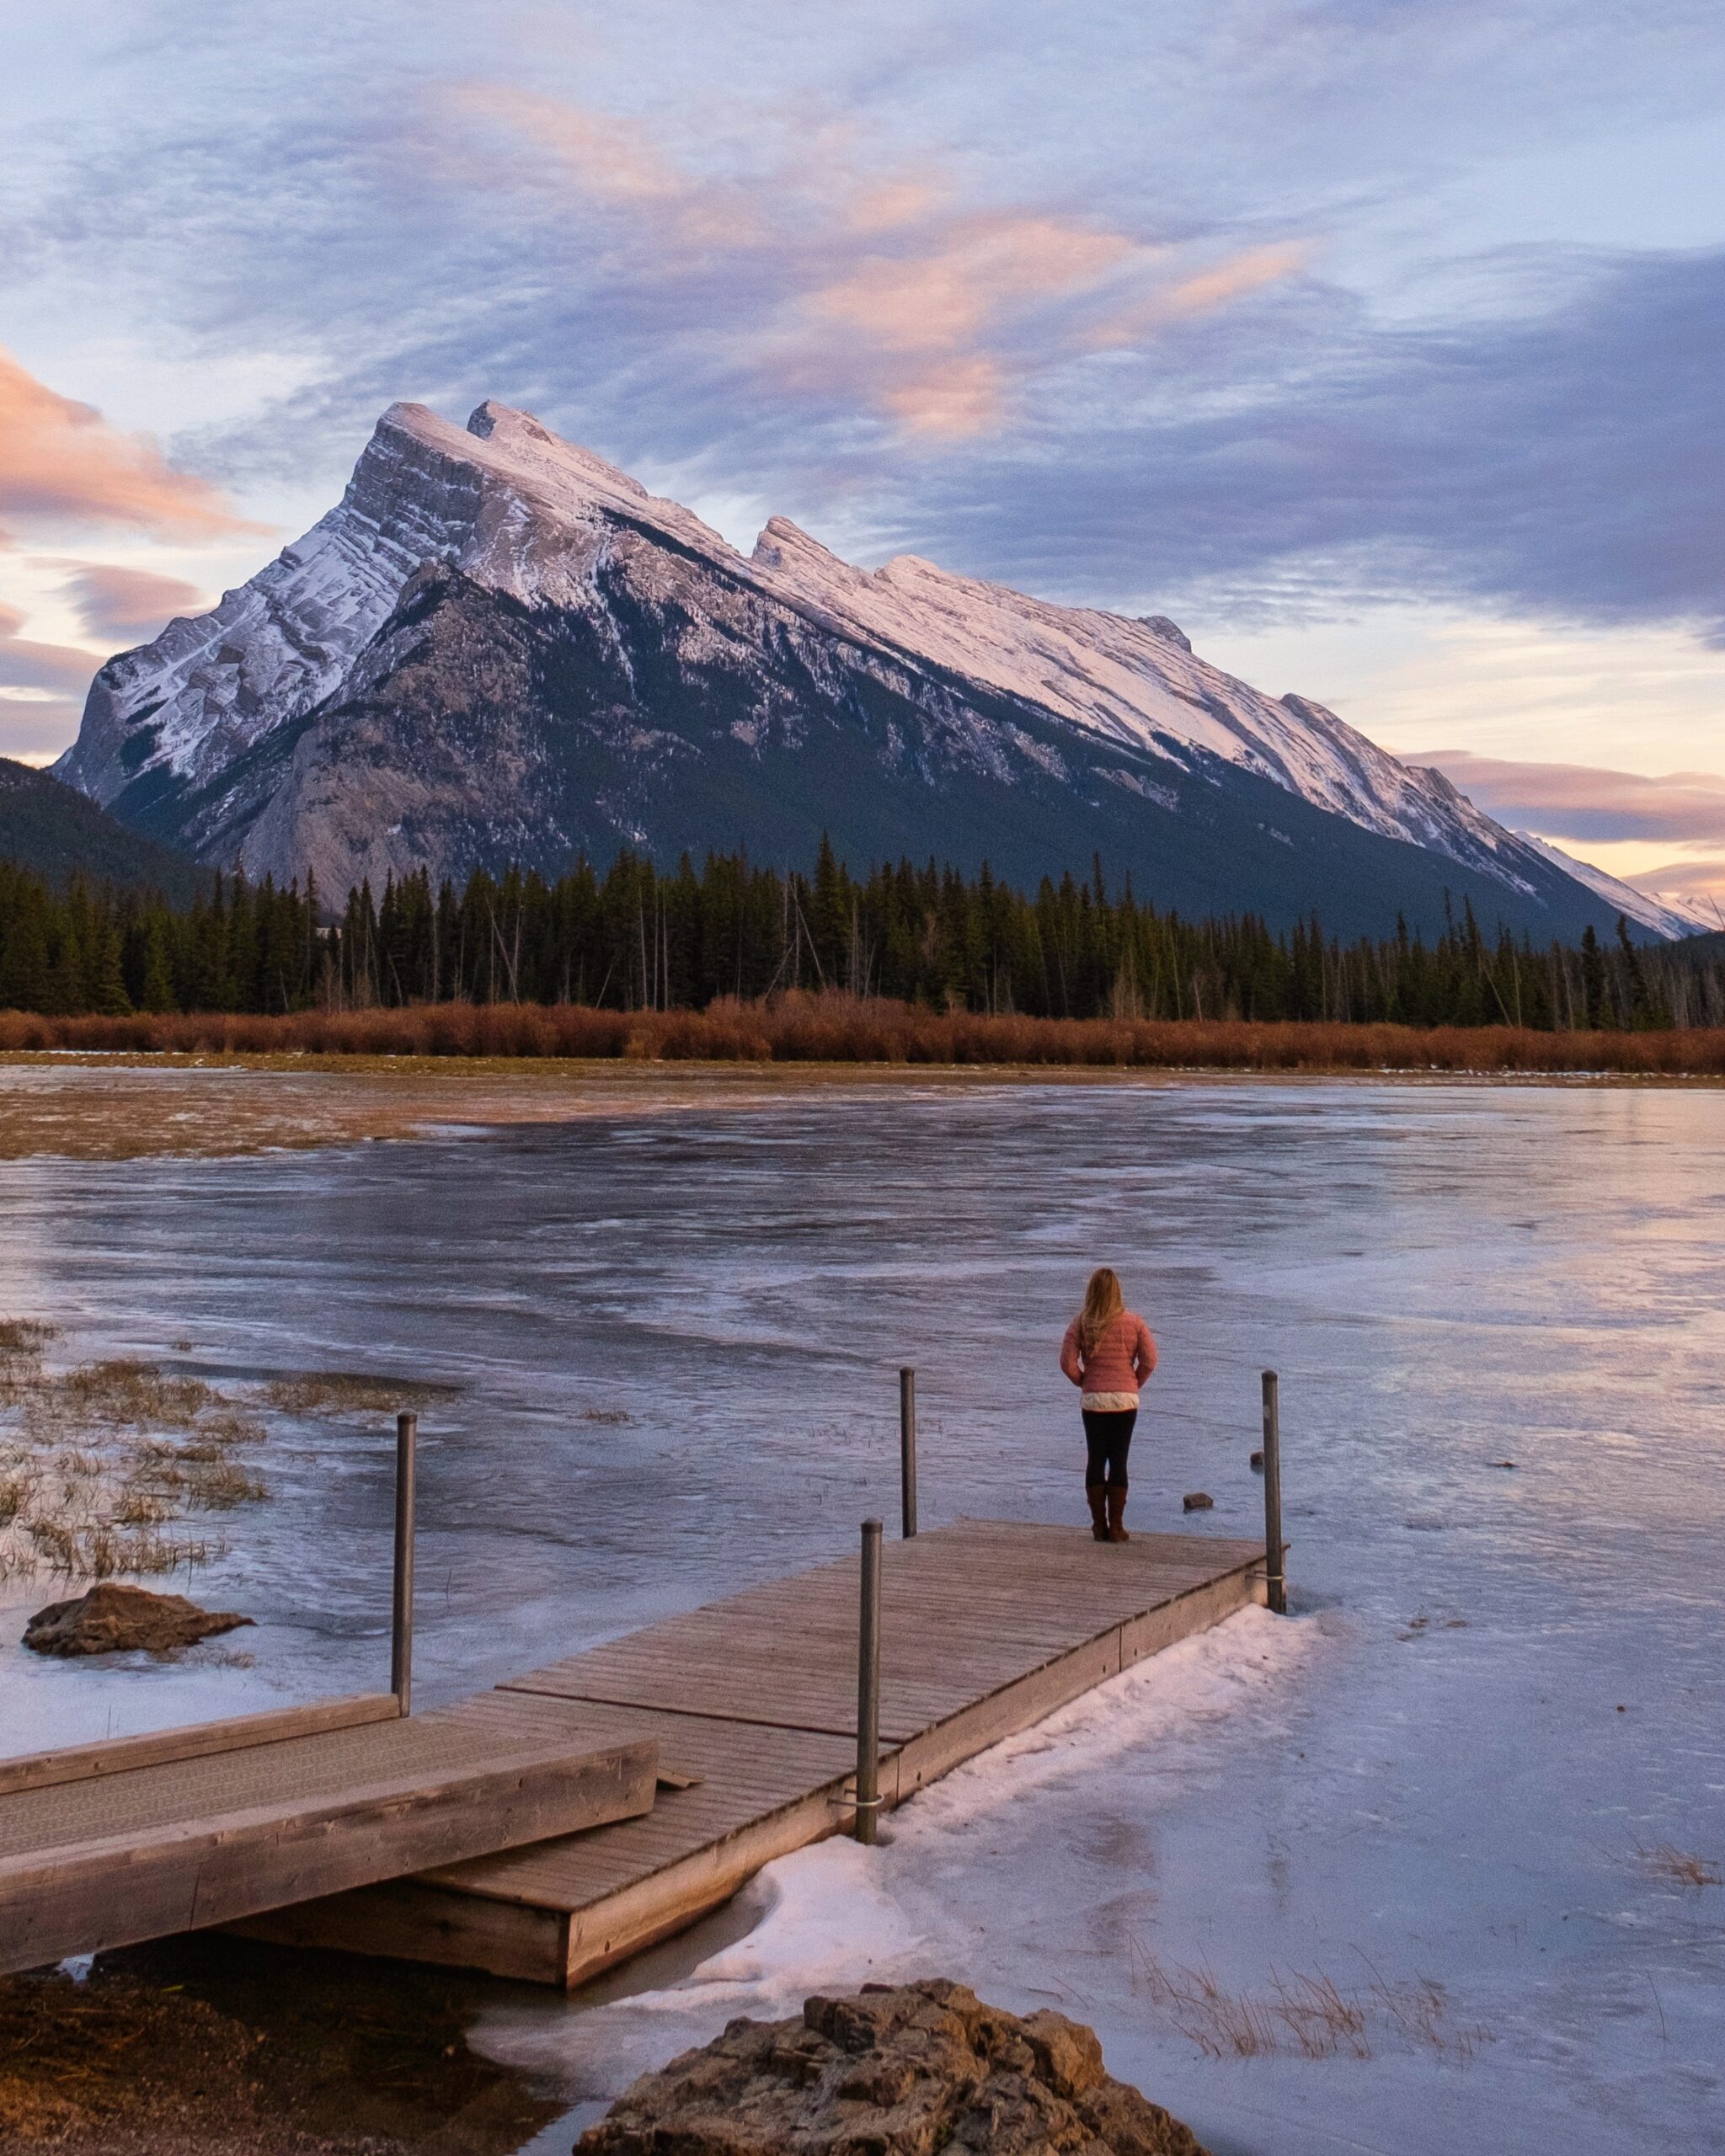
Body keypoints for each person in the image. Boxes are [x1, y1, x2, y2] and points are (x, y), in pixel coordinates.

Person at [1059, 1267, 1157, 1543]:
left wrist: (1084, 1381)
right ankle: (1116, 1527)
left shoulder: (1080, 1323)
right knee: (1119, 1460)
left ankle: (1098, 1525)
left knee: (1095, 1458)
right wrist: (1134, 1382)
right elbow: (1150, 1359)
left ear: (1091, 1292)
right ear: (1118, 1291)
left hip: (1094, 1399)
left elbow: (1067, 1363)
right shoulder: (1134, 1322)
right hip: (1125, 1399)